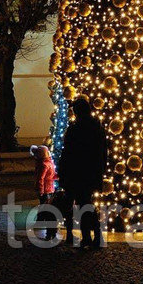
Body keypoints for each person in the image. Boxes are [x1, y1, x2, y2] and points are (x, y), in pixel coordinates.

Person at [57, 98, 108, 249]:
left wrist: (63, 173)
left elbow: (68, 153)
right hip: (90, 172)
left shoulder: (75, 128)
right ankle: (91, 236)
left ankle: (91, 237)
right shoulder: (97, 128)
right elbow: (102, 152)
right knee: (85, 204)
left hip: (76, 172)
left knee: (82, 205)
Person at [29, 145, 58, 240]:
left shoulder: (45, 163)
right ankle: (44, 222)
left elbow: (44, 178)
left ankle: (41, 220)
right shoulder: (47, 164)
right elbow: (41, 179)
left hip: (47, 188)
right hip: (47, 189)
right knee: (46, 206)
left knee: (44, 205)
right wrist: (41, 190)